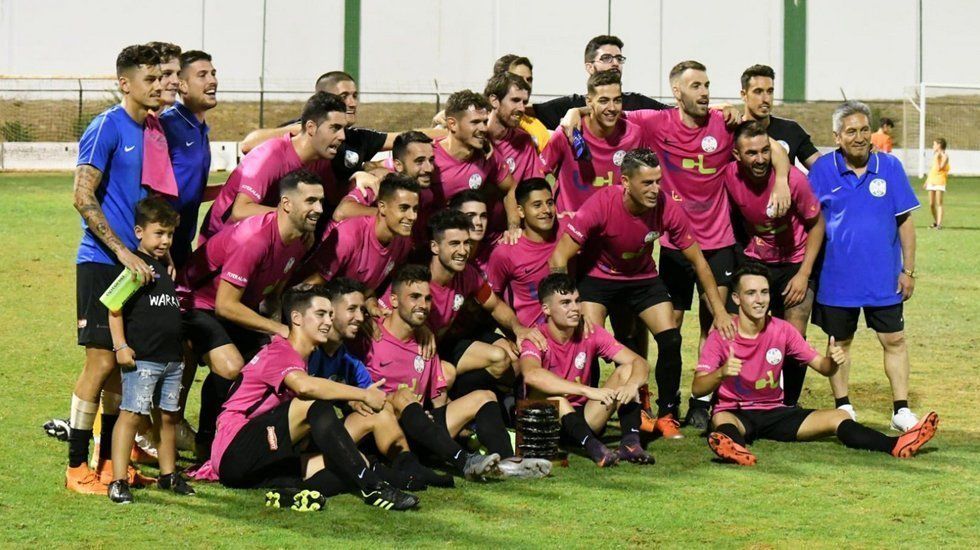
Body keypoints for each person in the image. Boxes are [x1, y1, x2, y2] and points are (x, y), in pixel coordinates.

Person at [609, 60, 793, 429]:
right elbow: (610, 108)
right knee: (672, 325)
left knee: (715, 322)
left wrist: (783, 180)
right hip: (676, 243)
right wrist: (571, 114)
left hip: (719, 241)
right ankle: (666, 402)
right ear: (676, 91)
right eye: (696, 86)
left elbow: (772, 147)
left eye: (707, 84)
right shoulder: (655, 122)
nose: (705, 92)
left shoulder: (724, 123)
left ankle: (702, 400)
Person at [549, 148, 733, 438]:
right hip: (598, 280)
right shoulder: (601, 204)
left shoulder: (666, 206)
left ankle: (668, 413)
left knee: (671, 338)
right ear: (625, 182)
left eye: (658, 181)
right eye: (647, 183)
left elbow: (698, 261)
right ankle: (591, 409)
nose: (655, 189)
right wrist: (565, 304)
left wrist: (720, 312)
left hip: (642, 278)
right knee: (590, 341)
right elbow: (559, 257)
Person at [693, 263, 939, 466]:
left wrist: (833, 361)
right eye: (751, 293)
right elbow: (698, 388)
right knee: (721, 418)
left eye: (764, 292)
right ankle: (735, 448)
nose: (760, 300)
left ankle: (895, 445)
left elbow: (822, 367)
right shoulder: (722, 335)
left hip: (775, 412)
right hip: (736, 412)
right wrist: (721, 374)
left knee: (838, 417)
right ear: (736, 298)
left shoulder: (783, 330)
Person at [203, 284, 419, 511]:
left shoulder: (300, 357)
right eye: (320, 314)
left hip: (259, 458)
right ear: (296, 318)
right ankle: (373, 487)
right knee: (313, 404)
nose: (328, 322)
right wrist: (363, 394)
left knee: (349, 465)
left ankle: (286, 493)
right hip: (234, 452)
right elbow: (305, 387)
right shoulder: (280, 351)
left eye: (330, 315)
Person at [66, 44, 162, 495]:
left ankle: (108, 466)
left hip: (137, 265)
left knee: (124, 368)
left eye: (161, 79)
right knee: (101, 361)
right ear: (125, 83)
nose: (159, 86)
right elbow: (82, 196)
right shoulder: (106, 125)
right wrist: (123, 251)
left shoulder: (154, 131)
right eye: (150, 79)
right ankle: (74, 468)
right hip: (103, 262)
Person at [180, 169, 324, 460]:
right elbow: (225, 305)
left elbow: (273, 292)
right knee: (231, 366)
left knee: (273, 358)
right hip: (195, 304)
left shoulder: (299, 239)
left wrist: (282, 336)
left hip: (236, 309)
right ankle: (209, 443)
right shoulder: (254, 238)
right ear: (286, 204)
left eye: (321, 201)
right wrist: (278, 329)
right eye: (310, 201)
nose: (319, 209)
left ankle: (258, 438)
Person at [366, 265, 551, 479]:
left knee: (484, 397)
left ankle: (510, 464)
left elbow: (438, 401)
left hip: (419, 433)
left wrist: (428, 421)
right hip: (384, 436)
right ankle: (464, 461)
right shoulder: (369, 334)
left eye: (427, 299)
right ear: (394, 300)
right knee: (403, 398)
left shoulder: (426, 342)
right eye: (414, 297)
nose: (422, 305)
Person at [807, 101, 922, 431]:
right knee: (839, 343)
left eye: (864, 129)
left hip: (884, 277)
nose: (859, 137)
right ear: (837, 136)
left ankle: (901, 410)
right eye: (851, 131)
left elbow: (905, 222)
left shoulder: (889, 166)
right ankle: (844, 407)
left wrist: (908, 270)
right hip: (836, 278)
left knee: (895, 340)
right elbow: (810, 221)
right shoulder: (822, 171)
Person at [306, 278, 450, 490]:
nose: (360, 317)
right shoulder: (309, 350)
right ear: (330, 311)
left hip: (325, 435)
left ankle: (409, 467)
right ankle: (387, 472)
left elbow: (376, 399)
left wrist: (411, 413)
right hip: (295, 439)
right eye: (352, 309)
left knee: (381, 411)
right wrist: (354, 398)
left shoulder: (347, 359)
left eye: (362, 310)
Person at [723, 121, 824, 406]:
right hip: (757, 263)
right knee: (740, 329)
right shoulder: (729, 176)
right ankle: (739, 398)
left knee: (795, 331)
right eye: (751, 153)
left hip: (795, 262)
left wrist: (804, 274)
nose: (760, 159)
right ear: (737, 155)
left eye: (765, 151)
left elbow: (817, 225)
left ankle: (789, 404)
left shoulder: (793, 180)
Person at [106, 198, 194, 503]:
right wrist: (121, 346)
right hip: (143, 359)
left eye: (169, 235)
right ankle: (117, 480)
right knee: (130, 415)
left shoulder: (165, 268)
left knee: (168, 417)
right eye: (159, 234)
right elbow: (114, 309)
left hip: (171, 359)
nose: (165, 241)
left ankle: (168, 474)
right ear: (139, 232)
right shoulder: (136, 268)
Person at [520, 274, 654, 466]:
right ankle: (595, 449)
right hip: (544, 424)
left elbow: (639, 362)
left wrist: (632, 385)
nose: (575, 308)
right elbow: (532, 375)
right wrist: (586, 390)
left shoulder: (590, 332)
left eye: (577, 301)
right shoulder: (535, 339)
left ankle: (630, 444)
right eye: (565, 303)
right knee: (556, 398)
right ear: (546, 309)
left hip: (584, 419)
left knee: (626, 371)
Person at [199, 92, 346, 242]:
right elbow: (240, 210)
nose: (342, 136)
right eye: (335, 128)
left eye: (343, 129)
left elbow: (335, 200)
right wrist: (296, 216)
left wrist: (360, 177)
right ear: (311, 128)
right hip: (222, 243)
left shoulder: (321, 161)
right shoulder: (272, 154)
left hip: (263, 239)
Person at [540, 70, 645, 216]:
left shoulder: (634, 134)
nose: (612, 108)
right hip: (570, 231)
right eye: (604, 101)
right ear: (589, 102)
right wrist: (549, 212)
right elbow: (538, 174)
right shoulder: (568, 132)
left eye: (617, 100)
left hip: (612, 228)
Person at [301, 173, 419, 297]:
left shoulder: (403, 242)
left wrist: (371, 304)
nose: (412, 216)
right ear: (382, 207)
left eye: (415, 209)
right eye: (404, 208)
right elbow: (307, 288)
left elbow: (368, 290)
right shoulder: (348, 237)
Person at [530, 35, 670, 130]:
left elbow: (677, 115)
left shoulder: (637, 102)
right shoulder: (571, 104)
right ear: (589, 67)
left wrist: (580, 111)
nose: (615, 63)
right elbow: (521, 112)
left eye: (619, 58)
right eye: (607, 58)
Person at [433, 90, 519, 242]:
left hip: (469, 245)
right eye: (475, 122)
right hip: (429, 244)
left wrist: (513, 228)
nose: (484, 128)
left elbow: (511, 187)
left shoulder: (487, 155)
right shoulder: (430, 157)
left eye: (485, 122)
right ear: (452, 124)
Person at [161, 49, 218, 268]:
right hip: (161, 243)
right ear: (182, 85)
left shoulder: (200, 129)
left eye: (213, 73)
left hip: (182, 242)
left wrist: (229, 190)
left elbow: (185, 190)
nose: (212, 80)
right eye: (202, 75)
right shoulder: (167, 127)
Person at [486, 178, 563, 328]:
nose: (546, 210)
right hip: (534, 339)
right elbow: (492, 299)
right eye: (537, 205)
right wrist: (516, 330)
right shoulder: (505, 252)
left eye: (549, 203)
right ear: (520, 211)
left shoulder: (567, 233)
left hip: (567, 330)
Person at [739, 64, 820, 168]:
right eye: (758, 92)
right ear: (743, 95)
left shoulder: (791, 130)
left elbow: (822, 169)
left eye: (770, 91)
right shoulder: (731, 131)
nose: (766, 99)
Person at [483, 72, 545, 182]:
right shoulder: (474, 138)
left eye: (524, 102)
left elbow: (535, 187)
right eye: (515, 100)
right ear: (494, 101)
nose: (522, 108)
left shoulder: (524, 141)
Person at [490, 54, 550, 151]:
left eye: (529, 79)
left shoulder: (536, 128)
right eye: (519, 79)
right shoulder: (477, 124)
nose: (527, 85)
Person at [924, 137, 950, 229]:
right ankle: (936, 222)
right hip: (932, 181)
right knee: (931, 204)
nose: (933, 146)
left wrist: (938, 158)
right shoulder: (935, 156)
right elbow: (933, 170)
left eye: (934, 144)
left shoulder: (944, 156)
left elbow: (940, 168)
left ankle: (939, 224)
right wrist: (927, 180)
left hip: (940, 181)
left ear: (939, 145)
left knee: (939, 203)